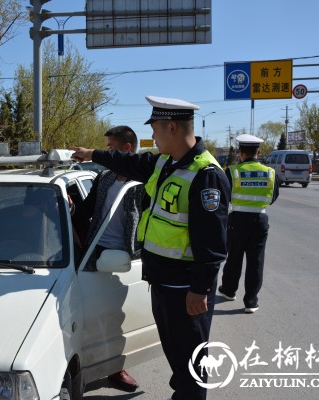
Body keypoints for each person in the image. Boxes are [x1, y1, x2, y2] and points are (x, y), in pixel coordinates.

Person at [70, 96, 231, 400]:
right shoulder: (164, 162)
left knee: (191, 363)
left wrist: (201, 289)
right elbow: (126, 162)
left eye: (155, 129)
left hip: (186, 288)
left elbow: (213, 244)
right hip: (163, 281)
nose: (153, 136)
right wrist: (92, 153)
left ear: (171, 127)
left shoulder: (205, 175)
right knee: (177, 357)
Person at [71, 125, 144, 392]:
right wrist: (70, 208)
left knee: (116, 317)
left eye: (111, 149)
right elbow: (86, 210)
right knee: (90, 312)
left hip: (127, 257)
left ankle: (116, 368)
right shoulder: (105, 179)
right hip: (95, 251)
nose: (107, 154)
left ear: (127, 149)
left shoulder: (145, 183)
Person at [218, 134, 280, 313]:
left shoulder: (232, 172)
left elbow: (224, 195)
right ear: (258, 152)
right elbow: (273, 196)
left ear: (241, 153)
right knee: (256, 261)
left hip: (237, 219)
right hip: (260, 220)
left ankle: (229, 291)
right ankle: (251, 302)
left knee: (234, 257)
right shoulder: (270, 173)